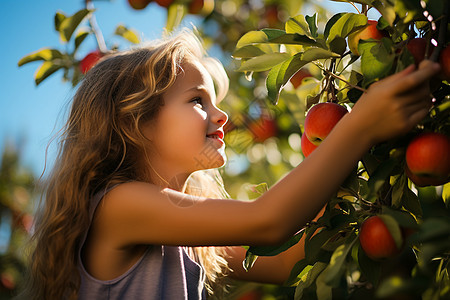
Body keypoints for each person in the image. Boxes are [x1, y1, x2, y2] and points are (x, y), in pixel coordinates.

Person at [19, 28, 440, 300]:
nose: (221, 116)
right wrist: (360, 128)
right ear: (137, 121)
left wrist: (356, 153)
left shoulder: (184, 234)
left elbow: (283, 260)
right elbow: (268, 222)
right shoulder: (117, 207)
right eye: (197, 101)